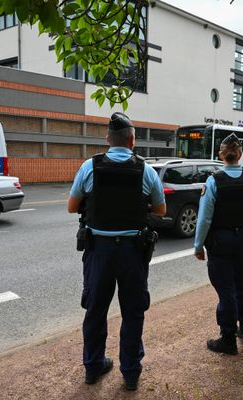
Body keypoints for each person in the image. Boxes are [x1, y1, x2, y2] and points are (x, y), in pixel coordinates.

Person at [67, 112, 166, 391]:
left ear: (107, 139)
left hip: (99, 251)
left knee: (96, 310)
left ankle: (93, 367)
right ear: (132, 141)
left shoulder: (90, 167)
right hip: (133, 253)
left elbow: (72, 207)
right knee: (133, 313)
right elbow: (160, 210)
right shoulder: (145, 170)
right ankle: (131, 373)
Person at [193, 133, 243, 355]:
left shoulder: (213, 181)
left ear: (221, 155)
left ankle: (228, 339)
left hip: (220, 241)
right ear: (240, 154)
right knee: (241, 284)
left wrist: (198, 246)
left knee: (226, 289)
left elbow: (204, 218)